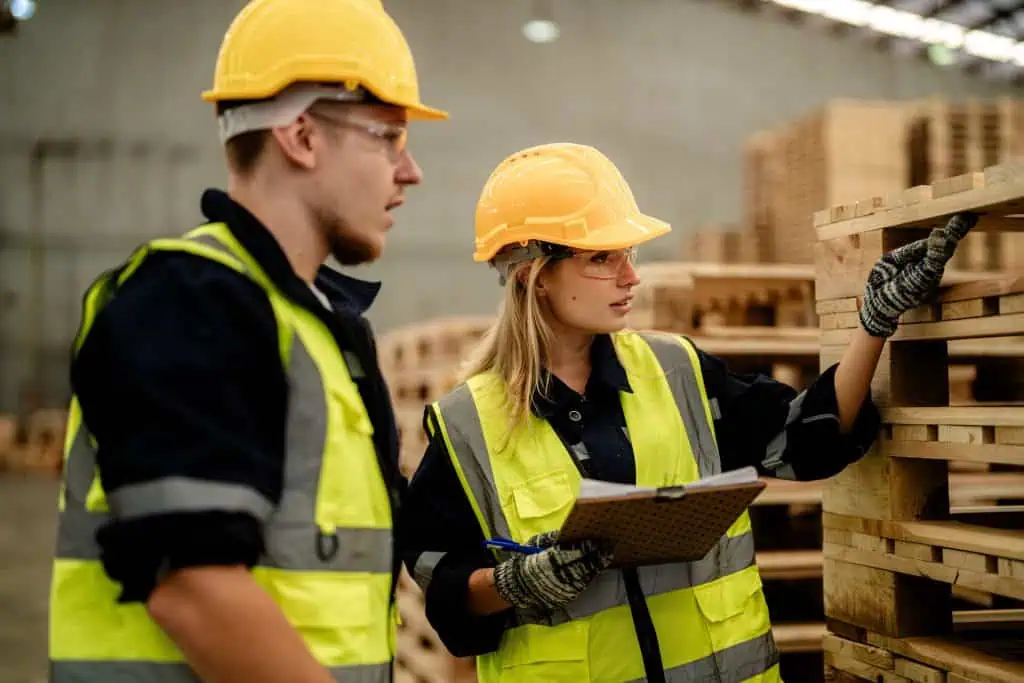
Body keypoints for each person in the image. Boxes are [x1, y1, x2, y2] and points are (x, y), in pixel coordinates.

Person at [401, 142, 977, 682]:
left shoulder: (675, 370)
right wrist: (517, 582)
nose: (631, 276)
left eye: (628, 254)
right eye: (603, 258)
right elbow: (444, 582)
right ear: (535, 276)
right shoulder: (468, 423)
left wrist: (874, 324)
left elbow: (803, 436)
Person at [46, 1, 447, 681]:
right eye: (388, 136)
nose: (410, 173)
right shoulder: (190, 301)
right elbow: (195, 589)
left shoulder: (311, 324)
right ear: (300, 135)